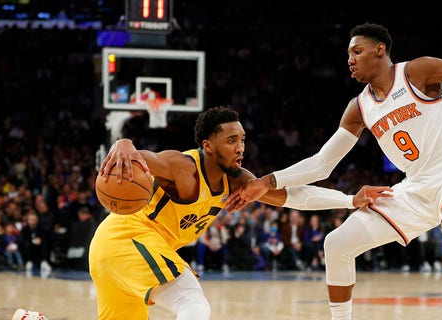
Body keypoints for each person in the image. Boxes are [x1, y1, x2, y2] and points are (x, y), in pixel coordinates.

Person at [232, 16, 442, 320]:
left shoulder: (416, 72)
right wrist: (267, 181)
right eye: (348, 55)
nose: (349, 60)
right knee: (336, 243)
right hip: (414, 186)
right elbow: (323, 163)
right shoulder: (359, 108)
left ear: (380, 49)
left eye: (356, 52)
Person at [76, 106, 389, 320]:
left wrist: (350, 200)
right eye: (231, 140)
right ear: (208, 146)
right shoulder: (184, 167)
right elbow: (141, 157)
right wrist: (125, 141)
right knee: (194, 305)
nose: (240, 147)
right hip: (128, 238)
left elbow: (295, 196)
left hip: (108, 251)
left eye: (242, 140)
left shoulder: (237, 181)